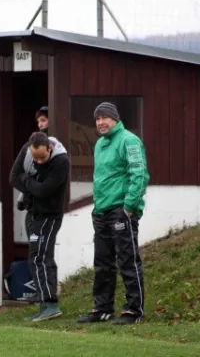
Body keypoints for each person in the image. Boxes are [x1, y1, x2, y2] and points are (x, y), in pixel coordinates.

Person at [77, 102, 149, 325]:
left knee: (127, 260)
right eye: (97, 119)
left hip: (121, 210)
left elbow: (139, 175)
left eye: (104, 118)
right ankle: (102, 308)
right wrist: (97, 207)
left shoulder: (129, 140)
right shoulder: (99, 144)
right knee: (102, 263)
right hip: (101, 211)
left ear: (115, 118)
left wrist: (128, 207)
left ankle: (133, 310)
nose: (100, 123)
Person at [10, 132, 69, 321]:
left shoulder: (61, 161)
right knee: (38, 258)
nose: (38, 162)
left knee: (40, 258)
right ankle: (46, 304)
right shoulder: (27, 151)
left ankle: (50, 304)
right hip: (32, 212)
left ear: (50, 148)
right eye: (35, 157)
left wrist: (26, 180)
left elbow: (44, 191)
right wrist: (33, 184)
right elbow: (13, 177)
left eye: (42, 157)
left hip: (49, 216)